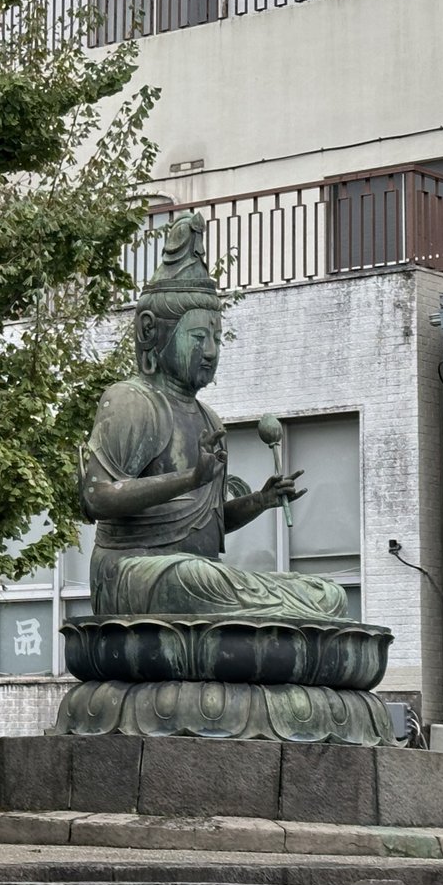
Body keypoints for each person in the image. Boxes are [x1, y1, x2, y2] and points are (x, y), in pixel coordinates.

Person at [79, 212, 345, 620]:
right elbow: (97, 497)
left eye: (217, 338)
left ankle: (281, 610)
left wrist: (259, 500)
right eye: (198, 337)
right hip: (130, 573)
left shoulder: (209, 419)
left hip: (198, 571)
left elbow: (210, 524)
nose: (210, 351)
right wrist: (189, 478)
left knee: (326, 594)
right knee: (193, 578)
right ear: (153, 333)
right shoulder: (132, 401)